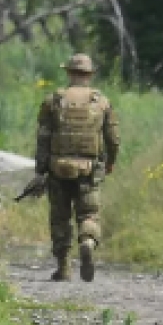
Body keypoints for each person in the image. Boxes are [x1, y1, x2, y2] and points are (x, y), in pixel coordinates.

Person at [34, 53, 121, 282]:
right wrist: (111, 161)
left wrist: (40, 169)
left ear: (69, 73)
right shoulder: (101, 102)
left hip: (58, 168)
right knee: (89, 213)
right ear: (90, 75)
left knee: (60, 218)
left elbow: (43, 137)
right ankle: (87, 242)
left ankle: (63, 267)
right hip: (89, 169)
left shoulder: (53, 100)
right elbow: (113, 138)